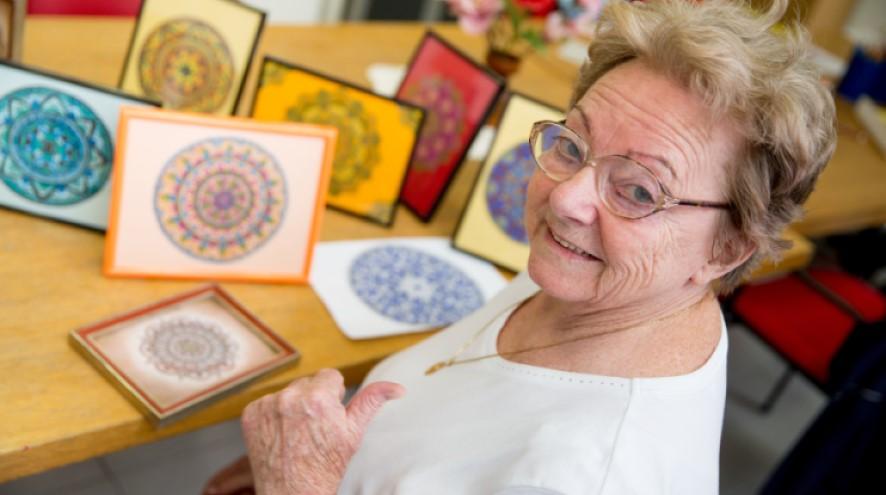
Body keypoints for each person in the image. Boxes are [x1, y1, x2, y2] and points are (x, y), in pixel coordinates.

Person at [204, 0, 836, 493]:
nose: (566, 198)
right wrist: (322, 459)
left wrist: (297, 482)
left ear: (725, 252)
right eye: (573, 143)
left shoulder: (582, 477)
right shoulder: (614, 280)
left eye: (640, 192)